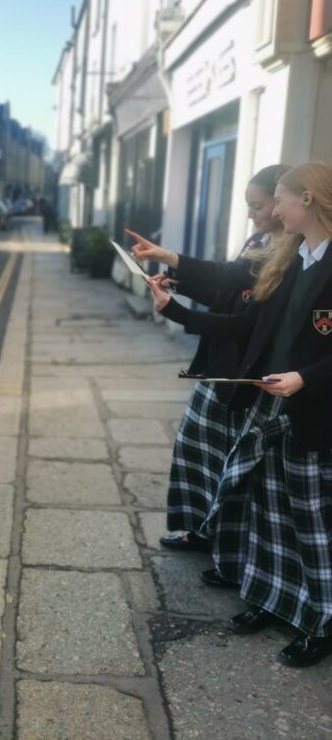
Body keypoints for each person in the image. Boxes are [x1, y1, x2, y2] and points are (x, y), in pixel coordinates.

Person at [147, 162, 332, 667]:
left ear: (308, 200)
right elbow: (247, 323)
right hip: (267, 406)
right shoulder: (291, 258)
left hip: (312, 416)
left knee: (308, 525)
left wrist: (307, 379)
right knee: (263, 514)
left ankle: (318, 622)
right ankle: (270, 601)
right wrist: (173, 310)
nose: (273, 211)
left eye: (280, 200)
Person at [127, 165, 290, 590]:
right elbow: (225, 291)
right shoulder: (259, 241)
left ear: (284, 202)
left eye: (257, 206)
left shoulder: (291, 255)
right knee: (197, 452)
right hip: (217, 368)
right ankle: (200, 530)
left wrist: (175, 307)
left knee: (233, 470)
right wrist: (175, 283)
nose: (252, 214)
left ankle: (230, 556)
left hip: (247, 378)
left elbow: (245, 323)